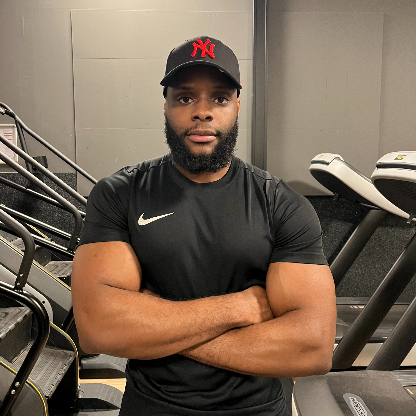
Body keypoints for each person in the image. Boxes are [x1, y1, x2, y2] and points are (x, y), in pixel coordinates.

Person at [72, 36, 336, 416]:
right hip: (153, 409)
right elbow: (98, 328)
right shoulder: (120, 194)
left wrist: (154, 323)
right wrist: (238, 308)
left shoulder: (280, 203)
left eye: (220, 98)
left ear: (237, 107)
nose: (202, 112)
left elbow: (312, 348)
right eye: (184, 98)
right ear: (165, 106)